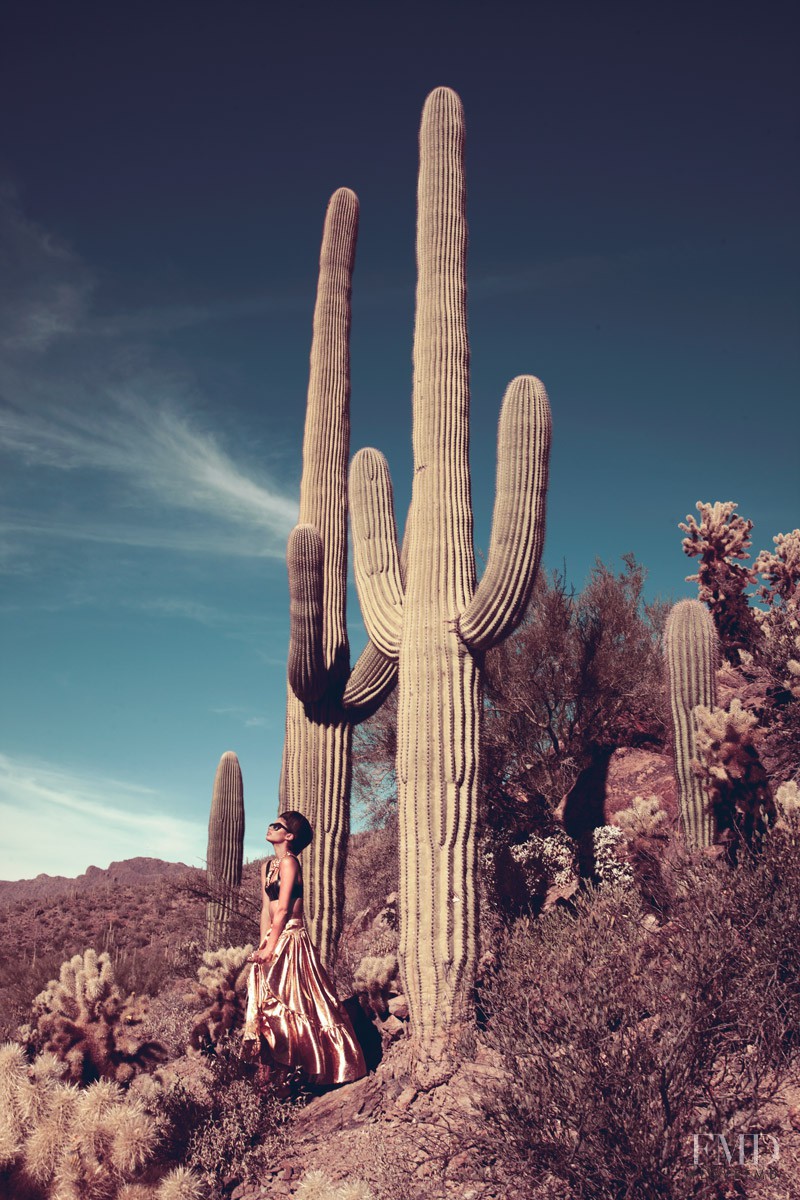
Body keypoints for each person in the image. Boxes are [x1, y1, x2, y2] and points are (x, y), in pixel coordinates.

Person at [241, 811, 366, 1086]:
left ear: (289, 836)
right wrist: (263, 946)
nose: (271, 826)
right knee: (267, 1004)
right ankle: (276, 1078)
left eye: (278, 826)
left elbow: (284, 908)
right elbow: (266, 909)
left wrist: (272, 946)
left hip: (291, 936)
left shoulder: (289, 863)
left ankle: (313, 1072)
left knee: (294, 1001)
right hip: (274, 936)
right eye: (272, 823)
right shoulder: (267, 867)